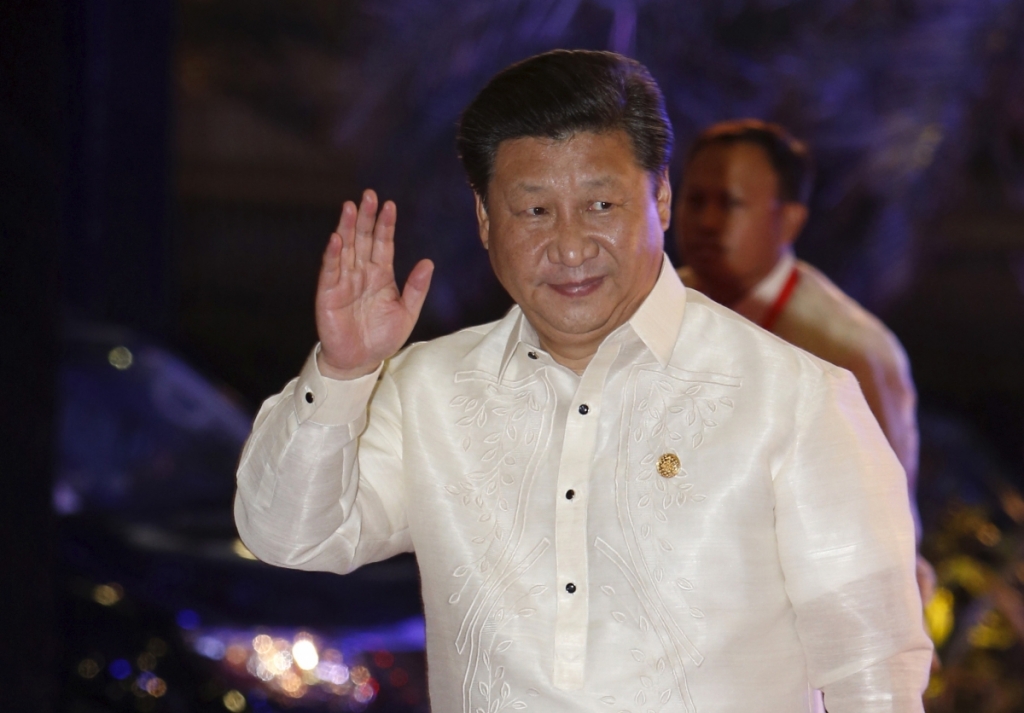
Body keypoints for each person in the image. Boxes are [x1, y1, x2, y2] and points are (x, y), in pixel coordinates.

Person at [235, 51, 932, 712]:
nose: (569, 247)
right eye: (533, 210)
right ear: (484, 218)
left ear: (661, 199)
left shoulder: (795, 398)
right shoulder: (430, 391)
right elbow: (289, 535)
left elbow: (873, 666)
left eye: (601, 205)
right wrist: (343, 372)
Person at [673, 119, 925, 543]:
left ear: (789, 221)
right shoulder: (645, 308)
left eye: (730, 203)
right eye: (695, 200)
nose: (708, 221)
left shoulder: (850, 353)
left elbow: (887, 530)